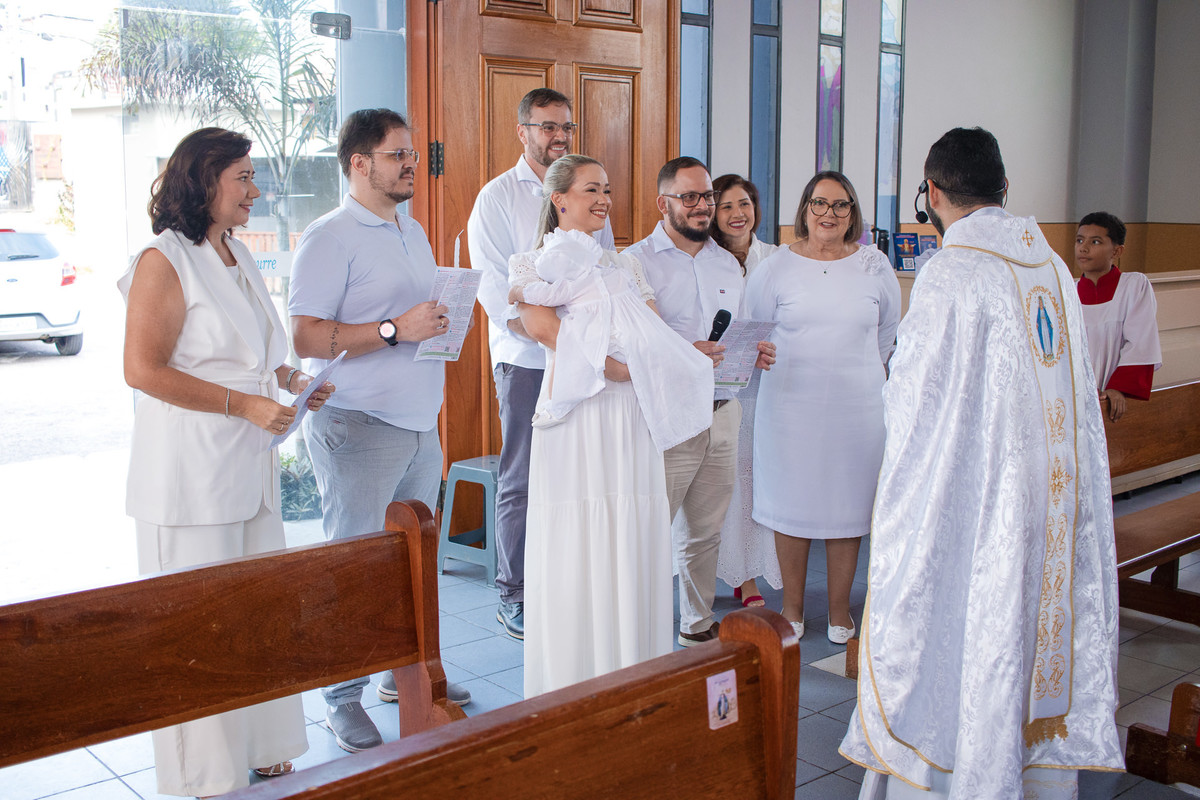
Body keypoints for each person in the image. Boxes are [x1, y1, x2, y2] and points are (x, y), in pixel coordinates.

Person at [840, 127, 1123, 799]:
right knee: (1026, 623)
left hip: (981, 497)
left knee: (969, 622)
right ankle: (1032, 776)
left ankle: (961, 773)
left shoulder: (953, 271)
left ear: (932, 193)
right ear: (1005, 188)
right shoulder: (1051, 266)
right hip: (1051, 498)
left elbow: (914, 403)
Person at [119, 126, 334, 797]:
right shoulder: (163, 260)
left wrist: (293, 381)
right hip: (188, 477)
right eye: (242, 177)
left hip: (249, 471)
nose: (255, 190)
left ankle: (265, 747)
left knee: (256, 617)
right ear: (203, 180)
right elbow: (143, 370)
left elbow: (253, 349)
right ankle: (203, 775)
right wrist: (244, 405)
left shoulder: (236, 250)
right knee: (199, 631)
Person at [288, 108, 469, 753]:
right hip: (358, 426)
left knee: (412, 564)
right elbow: (305, 336)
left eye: (412, 154)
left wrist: (438, 324)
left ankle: (404, 676)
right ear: (359, 164)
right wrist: (395, 330)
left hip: (420, 425)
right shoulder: (329, 237)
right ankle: (341, 699)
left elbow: (416, 318)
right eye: (399, 155)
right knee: (355, 567)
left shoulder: (410, 229)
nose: (412, 164)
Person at [510, 155, 712, 697]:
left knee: (630, 532)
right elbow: (544, 329)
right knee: (580, 536)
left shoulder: (626, 266)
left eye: (607, 189)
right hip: (578, 417)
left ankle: (633, 678)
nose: (603, 199)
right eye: (591, 189)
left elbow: (653, 334)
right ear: (559, 199)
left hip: (628, 417)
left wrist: (672, 360)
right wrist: (615, 367)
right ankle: (573, 682)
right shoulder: (530, 264)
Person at [467, 88, 614, 641]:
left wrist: (589, 336)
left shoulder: (584, 189)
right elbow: (494, 285)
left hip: (585, 357)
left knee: (576, 471)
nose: (558, 136)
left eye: (566, 127)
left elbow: (602, 269)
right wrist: (548, 332)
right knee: (522, 476)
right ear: (523, 131)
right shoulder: (497, 197)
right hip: (528, 359)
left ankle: (565, 585)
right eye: (547, 126)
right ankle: (514, 593)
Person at [625, 157, 776, 647]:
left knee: (706, 529)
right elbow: (631, 343)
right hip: (668, 417)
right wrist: (683, 352)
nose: (701, 206)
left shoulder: (726, 263)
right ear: (663, 202)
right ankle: (637, 632)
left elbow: (737, 333)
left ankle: (696, 623)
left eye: (706, 196)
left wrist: (755, 352)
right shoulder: (637, 261)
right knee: (651, 528)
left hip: (723, 411)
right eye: (688, 196)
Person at [746, 171, 900, 644]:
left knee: (846, 507)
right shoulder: (775, 267)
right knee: (792, 504)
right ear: (804, 209)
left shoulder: (875, 266)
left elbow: (888, 332)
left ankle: (839, 611)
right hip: (790, 407)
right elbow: (754, 331)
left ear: (852, 213)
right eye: (819, 203)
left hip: (857, 409)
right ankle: (791, 608)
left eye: (839, 205)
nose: (828, 214)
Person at [691, 173, 782, 608]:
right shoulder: (703, 260)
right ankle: (706, 572)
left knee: (750, 480)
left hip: (763, 383)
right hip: (717, 383)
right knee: (715, 482)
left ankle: (746, 574)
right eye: (725, 206)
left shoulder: (776, 258)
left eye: (743, 203)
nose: (736, 213)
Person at [1075, 211, 1162, 421]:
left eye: (1095, 241)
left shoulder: (1134, 286)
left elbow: (1141, 342)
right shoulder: (1067, 291)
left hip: (1114, 398)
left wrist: (1117, 387)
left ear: (1117, 250)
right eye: (1079, 240)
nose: (1083, 248)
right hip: (1075, 396)